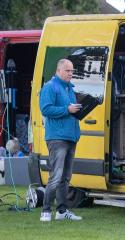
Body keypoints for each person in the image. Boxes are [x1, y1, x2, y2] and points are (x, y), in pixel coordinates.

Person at [39, 59, 82, 222]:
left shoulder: (69, 88)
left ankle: (62, 210)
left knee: (66, 177)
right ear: (58, 71)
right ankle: (46, 210)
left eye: (72, 71)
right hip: (57, 137)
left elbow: (71, 110)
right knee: (56, 176)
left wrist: (79, 111)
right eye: (67, 70)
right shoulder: (50, 87)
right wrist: (67, 109)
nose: (71, 73)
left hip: (71, 136)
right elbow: (46, 109)